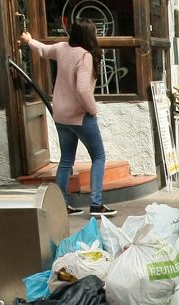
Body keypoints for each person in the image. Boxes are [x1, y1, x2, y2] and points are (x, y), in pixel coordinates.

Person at [23, 20, 116, 217]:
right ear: (88, 36)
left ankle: (62, 204)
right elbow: (82, 89)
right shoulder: (84, 56)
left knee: (66, 160)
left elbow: (43, 50)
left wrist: (29, 40)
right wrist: (93, 110)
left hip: (61, 115)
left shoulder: (62, 48)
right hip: (80, 116)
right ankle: (96, 204)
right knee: (98, 157)